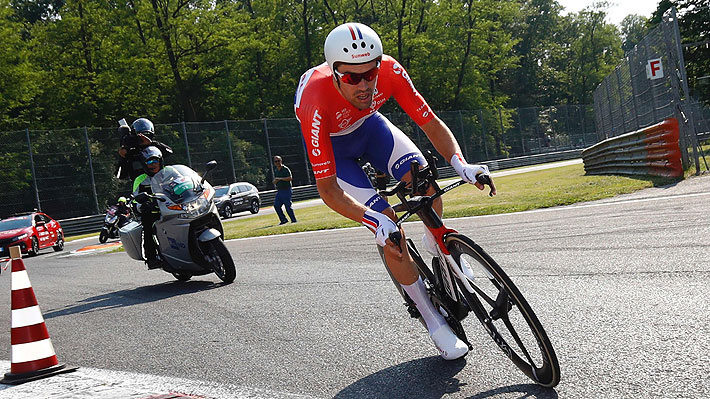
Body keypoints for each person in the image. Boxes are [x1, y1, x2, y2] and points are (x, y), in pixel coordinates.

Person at [294, 22, 495, 360]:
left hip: (371, 128)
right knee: (389, 228)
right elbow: (327, 189)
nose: (364, 84)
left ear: (379, 65)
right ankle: (434, 323)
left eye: (370, 73)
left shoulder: (391, 71)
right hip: (335, 150)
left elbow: (429, 122)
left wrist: (462, 164)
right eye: (352, 78)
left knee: (424, 181)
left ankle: (438, 244)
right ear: (333, 73)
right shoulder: (315, 102)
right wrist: (372, 221)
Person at [132, 146, 165, 269]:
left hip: (171, 206)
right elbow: (135, 199)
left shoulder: (169, 172)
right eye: (149, 162)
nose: (153, 164)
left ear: (160, 161)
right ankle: (151, 258)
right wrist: (142, 205)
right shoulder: (140, 180)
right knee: (147, 228)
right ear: (144, 164)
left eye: (155, 161)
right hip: (152, 211)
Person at [272, 155, 297, 225]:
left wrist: (280, 179)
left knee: (287, 206)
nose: (277, 163)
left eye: (278, 161)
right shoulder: (276, 170)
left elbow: (290, 178)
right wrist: (275, 181)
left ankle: (293, 220)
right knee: (276, 205)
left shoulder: (285, 169)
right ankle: (283, 220)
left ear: (281, 161)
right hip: (279, 191)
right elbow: (276, 179)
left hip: (286, 190)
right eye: (275, 161)